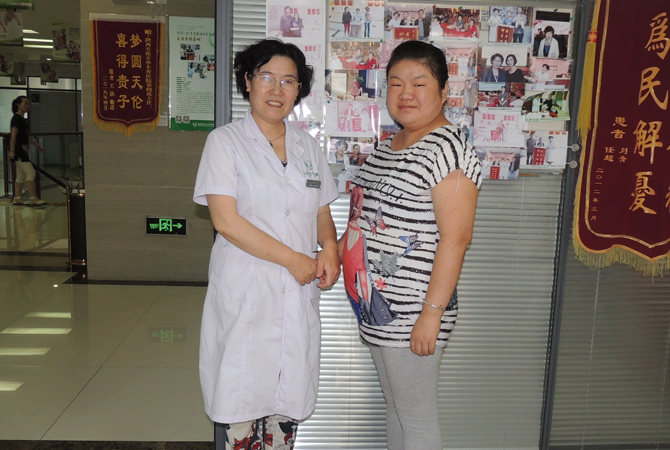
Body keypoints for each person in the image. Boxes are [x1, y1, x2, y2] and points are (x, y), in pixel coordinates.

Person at [193, 39, 340, 450]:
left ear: (299, 90)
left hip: (296, 291)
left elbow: (321, 210)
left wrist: (329, 247)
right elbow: (226, 221)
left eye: (288, 81)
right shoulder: (224, 142)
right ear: (248, 81)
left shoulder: (309, 147)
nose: (277, 90)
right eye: (267, 78)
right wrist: (293, 259)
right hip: (248, 288)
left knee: (284, 414)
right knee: (242, 409)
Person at [340, 40, 481, 450]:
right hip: (378, 306)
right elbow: (362, 219)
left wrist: (431, 315)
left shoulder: (448, 149)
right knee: (397, 408)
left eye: (419, 83)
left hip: (414, 311)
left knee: (416, 416)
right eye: (396, 83)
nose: (406, 93)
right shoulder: (387, 148)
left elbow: (456, 238)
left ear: (444, 90)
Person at [8, 96, 47, 206]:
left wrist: (38, 146)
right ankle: (32, 197)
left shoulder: (23, 120)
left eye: (28, 104)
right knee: (31, 173)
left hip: (23, 150)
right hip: (19, 150)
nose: (28, 106)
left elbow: (27, 137)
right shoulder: (16, 119)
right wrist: (12, 150)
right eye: (25, 103)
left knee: (20, 175)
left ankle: (17, 198)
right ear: (18, 105)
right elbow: (13, 136)